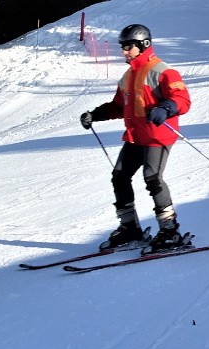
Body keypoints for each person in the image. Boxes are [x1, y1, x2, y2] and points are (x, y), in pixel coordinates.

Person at [80, 23, 193, 253]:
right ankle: (129, 228)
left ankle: (169, 231)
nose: (124, 51)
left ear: (144, 45)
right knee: (119, 176)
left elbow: (183, 99)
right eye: (122, 47)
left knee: (152, 177)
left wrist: (166, 108)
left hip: (157, 135)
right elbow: (118, 106)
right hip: (135, 136)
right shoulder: (128, 76)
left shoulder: (162, 71)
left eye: (128, 47)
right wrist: (95, 115)